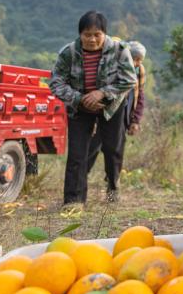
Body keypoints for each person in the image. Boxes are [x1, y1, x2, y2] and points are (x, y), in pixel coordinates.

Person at [50, 11, 137, 206]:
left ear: (104, 34)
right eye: (87, 35)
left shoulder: (119, 50)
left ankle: (113, 190)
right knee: (77, 154)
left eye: (97, 34)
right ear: (80, 34)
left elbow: (129, 79)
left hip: (111, 107)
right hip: (79, 108)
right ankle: (74, 201)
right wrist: (80, 99)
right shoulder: (69, 53)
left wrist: (102, 93)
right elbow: (56, 82)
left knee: (112, 149)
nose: (92, 39)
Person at [85, 40, 147, 197]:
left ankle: (113, 187)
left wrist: (135, 120)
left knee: (115, 151)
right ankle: (80, 182)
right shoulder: (114, 69)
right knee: (92, 148)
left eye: (140, 60)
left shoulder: (139, 71)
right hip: (103, 115)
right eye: (135, 59)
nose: (137, 63)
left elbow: (140, 97)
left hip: (122, 118)